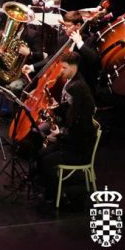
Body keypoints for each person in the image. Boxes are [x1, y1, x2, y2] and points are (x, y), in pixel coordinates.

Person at [37, 52, 97, 203]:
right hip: (72, 140)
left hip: (79, 149)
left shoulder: (78, 90)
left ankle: (55, 196)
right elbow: (68, 112)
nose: (61, 71)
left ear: (73, 67)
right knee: (42, 154)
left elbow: (79, 131)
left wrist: (59, 135)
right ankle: (46, 188)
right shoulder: (74, 84)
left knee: (46, 160)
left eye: (64, 68)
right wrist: (56, 110)